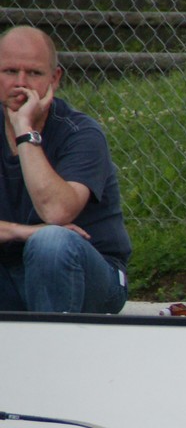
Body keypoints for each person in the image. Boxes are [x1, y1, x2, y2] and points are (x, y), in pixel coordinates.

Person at [0, 26, 130, 313]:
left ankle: (51, 341)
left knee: (51, 243)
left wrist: (25, 130)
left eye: (34, 73)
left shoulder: (81, 133)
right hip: (8, 272)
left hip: (88, 271)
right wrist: (22, 232)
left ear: (55, 78)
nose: (21, 83)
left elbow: (57, 213)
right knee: (42, 238)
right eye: (9, 71)